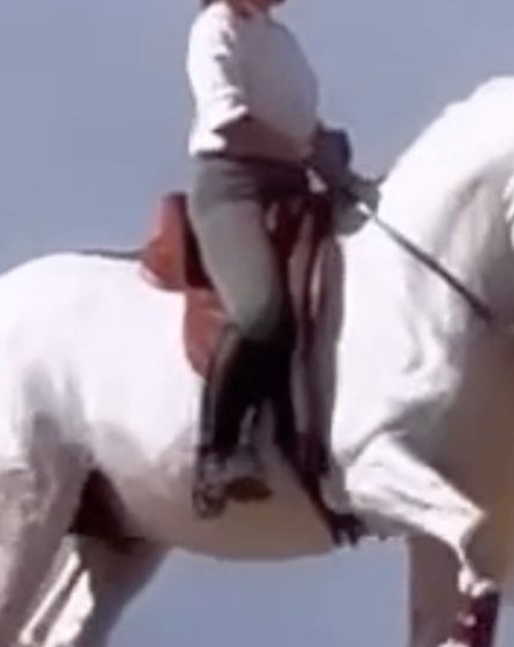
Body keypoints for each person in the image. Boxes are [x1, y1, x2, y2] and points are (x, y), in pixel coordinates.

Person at [185, 0, 356, 518]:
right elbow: (231, 123)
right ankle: (215, 455)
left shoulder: (279, 40)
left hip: (292, 186)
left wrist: (327, 149)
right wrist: (306, 151)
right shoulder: (215, 30)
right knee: (261, 311)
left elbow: (297, 121)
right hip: (234, 186)